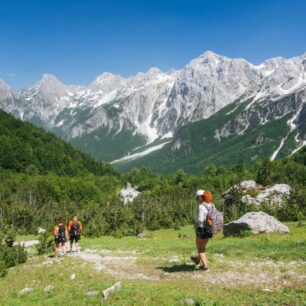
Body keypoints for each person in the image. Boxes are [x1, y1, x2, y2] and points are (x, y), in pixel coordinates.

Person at [191, 189, 214, 271]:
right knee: (202, 247)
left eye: (197, 198)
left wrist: (195, 218)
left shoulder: (201, 206)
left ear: (200, 197)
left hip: (202, 229)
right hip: (210, 229)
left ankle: (205, 267)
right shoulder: (211, 205)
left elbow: (201, 220)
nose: (197, 200)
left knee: (200, 249)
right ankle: (198, 260)